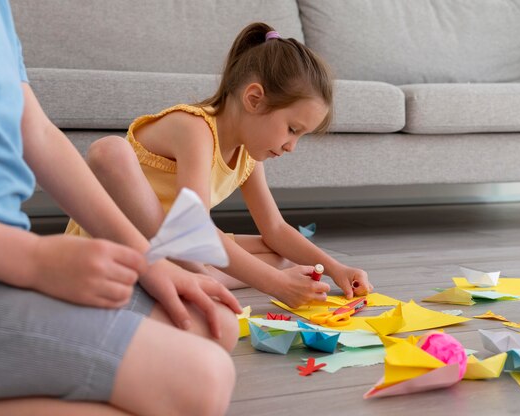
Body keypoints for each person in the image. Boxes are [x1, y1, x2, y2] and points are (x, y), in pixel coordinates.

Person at [0, 1, 242, 415]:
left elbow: (40, 135)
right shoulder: (196, 129)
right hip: (1, 263)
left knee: (213, 323)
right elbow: (195, 228)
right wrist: (33, 260)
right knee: (203, 379)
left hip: (0, 261)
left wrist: (149, 262)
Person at [65, 22, 374, 309]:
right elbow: (192, 226)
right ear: (254, 99)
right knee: (113, 151)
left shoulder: (248, 153)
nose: (291, 146)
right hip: (115, 239)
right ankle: (197, 274)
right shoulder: (194, 128)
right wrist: (276, 285)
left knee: (279, 254)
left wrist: (336, 268)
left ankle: (200, 275)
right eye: (292, 129)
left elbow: (275, 228)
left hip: (174, 246)